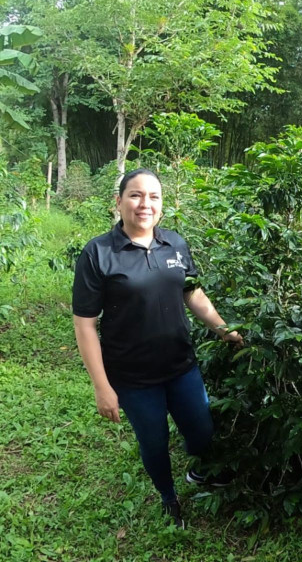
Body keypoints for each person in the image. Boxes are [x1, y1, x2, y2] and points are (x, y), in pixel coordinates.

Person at [72, 168, 242, 529]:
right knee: (154, 442)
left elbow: (191, 292)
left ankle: (200, 473)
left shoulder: (175, 244)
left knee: (201, 430)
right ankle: (169, 497)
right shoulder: (99, 253)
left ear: (162, 204)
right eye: (135, 195)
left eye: (153, 196)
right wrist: (102, 387)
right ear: (119, 202)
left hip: (181, 365)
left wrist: (224, 329)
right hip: (133, 376)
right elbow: (85, 324)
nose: (144, 204)